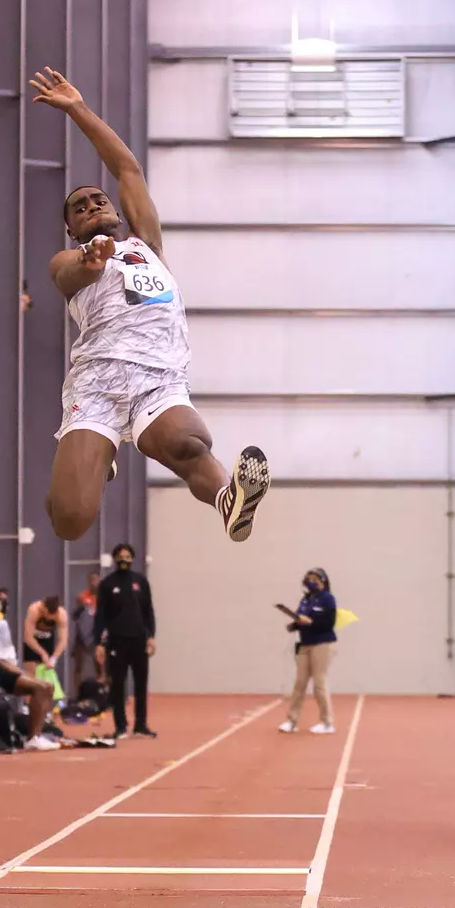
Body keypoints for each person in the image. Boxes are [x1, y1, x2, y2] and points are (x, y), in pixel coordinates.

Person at [29, 66, 270, 544]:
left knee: (188, 443)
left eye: (97, 200)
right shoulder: (68, 259)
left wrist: (78, 109)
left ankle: (229, 500)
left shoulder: (147, 245)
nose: (91, 205)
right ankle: (96, 458)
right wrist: (90, 262)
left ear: (116, 211)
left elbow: (127, 169)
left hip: (158, 376)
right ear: (71, 229)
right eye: (79, 208)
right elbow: (70, 275)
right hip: (98, 383)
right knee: (70, 519)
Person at [94, 543, 156, 739]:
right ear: (115, 559)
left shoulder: (140, 581)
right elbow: (100, 616)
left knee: (141, 683)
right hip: (117, 641)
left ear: (132, 558)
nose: (124, 560)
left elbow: (148, 612)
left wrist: (151, 637)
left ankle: (141, 724)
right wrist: (99, 643)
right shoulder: (107, 584)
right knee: (118, 685)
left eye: (127, 556)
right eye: (120, 556)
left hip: (138, 640)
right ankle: (120, 726)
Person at [0, 588, 58, 752]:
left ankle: (36, 736)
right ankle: (32, 738)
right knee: (41, 687)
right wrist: (18, 672)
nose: (2, 605)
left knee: (48, 686)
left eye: (5, 601)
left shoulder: (2, 623)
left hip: (11, 670)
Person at [277, 569, 338, 735]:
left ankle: (327, 722)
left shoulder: (328, 598)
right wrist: (295, 624)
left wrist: (310, 622)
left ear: (322, 581)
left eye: (314, 579)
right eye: (308, 579)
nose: (310, 582)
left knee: (319, 683)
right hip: (305, 644)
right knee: (300, 683)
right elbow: (300, 617)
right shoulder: (306, 599)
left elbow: (329, 623)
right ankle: (292, 720)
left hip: (323, 644)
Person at [72, 571, 103, 694]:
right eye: (91, 580)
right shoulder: (82, 597)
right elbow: (76, 617)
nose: (93, 583)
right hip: (82, 636)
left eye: (96, 580)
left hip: (97, 635)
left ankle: (101, 692)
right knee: (79, 666)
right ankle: (78, 694)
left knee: (100, 666)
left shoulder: (103, 598)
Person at [22, 596, 68, 679]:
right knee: (30, 673)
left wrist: (54, 658)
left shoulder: (61, 614)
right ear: (43, 607)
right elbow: (28, 637)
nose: (49, 617)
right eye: (47, 614)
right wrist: (43, 653)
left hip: (47, 638)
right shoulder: (34, 610)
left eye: (52, 616)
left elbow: (63, 640)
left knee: (47, 669)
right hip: (33, 640)